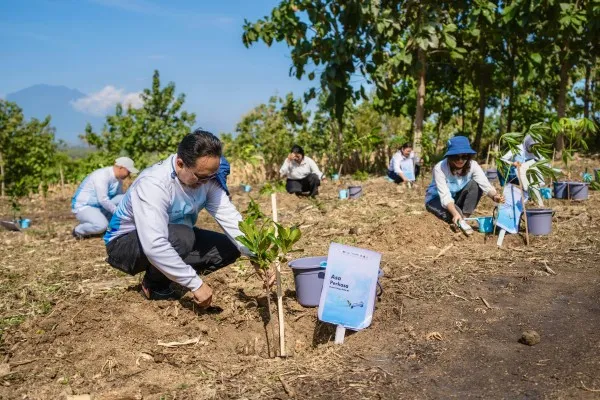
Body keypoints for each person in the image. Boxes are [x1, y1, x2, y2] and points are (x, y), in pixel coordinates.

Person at [103, 130, 250, 306]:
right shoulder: (154, 183)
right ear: (180, 164)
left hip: (174, 234)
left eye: (211, 175)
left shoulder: (208, 178)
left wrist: (255, 253)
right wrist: (195, 284)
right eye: (201, 176)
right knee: (183, 237)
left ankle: (172, 275)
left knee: (229, 247)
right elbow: (154, 244)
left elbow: (230, 218)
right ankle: (154, 284)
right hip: (125, 243)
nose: (207, 182)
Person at [425, 136, 504, 233]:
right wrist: (454, 213)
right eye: (456, 157)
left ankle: (463, 219)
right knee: (450, 215)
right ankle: (459, 218)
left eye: (464, 156)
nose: (460, 160)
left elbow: (485, 184)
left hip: (456, 198)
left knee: (475, 184)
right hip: (437, 199)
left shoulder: (473, 165)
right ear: (449, 157)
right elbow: (445, 196)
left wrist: (495, 196)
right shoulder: (440, 168)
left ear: (468, 156)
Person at [71, 157, 138, 239]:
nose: (129, 174)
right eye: (128, 171)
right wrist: (118, 213)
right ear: (121, 168)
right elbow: (103, 200)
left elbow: (120, 198)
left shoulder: (118, 179)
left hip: (100, 206)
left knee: (126, 197)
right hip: (85, 206)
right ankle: (78, 230)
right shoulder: (102, 176)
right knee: (101, 226)